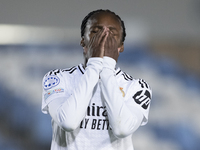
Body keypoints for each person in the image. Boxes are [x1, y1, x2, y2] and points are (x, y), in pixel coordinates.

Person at [42, 9, 152, 150]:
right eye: (96, 31)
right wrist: (94, 66)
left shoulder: (137, 87)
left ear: (121, 46)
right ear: (83, 40)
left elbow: (122, 129)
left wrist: (107, 69)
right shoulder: (58, 78)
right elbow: (68, 122)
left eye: (112, 33)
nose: (104, 38)